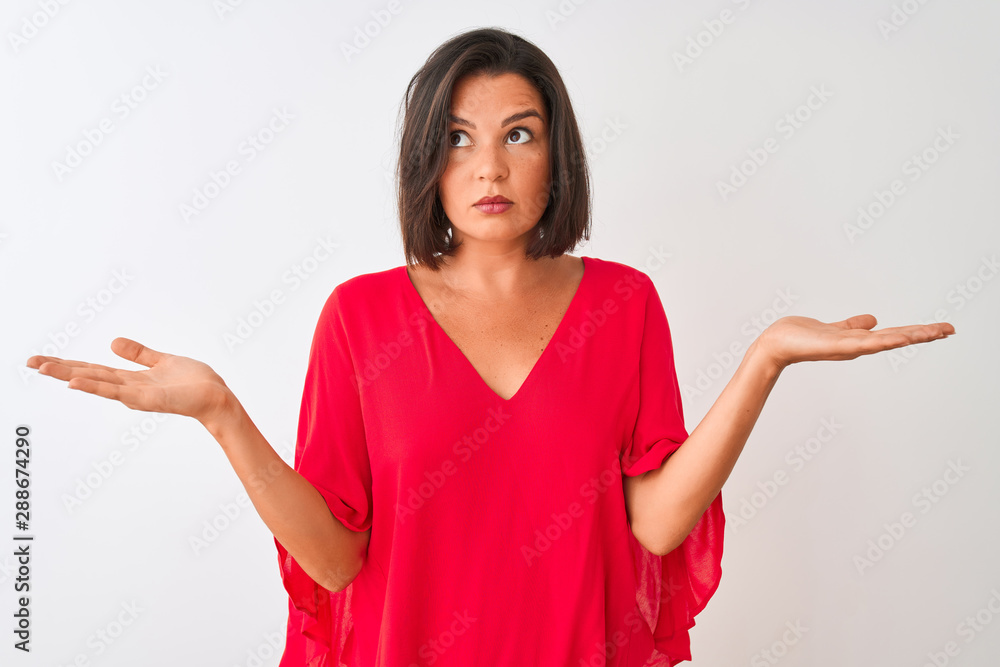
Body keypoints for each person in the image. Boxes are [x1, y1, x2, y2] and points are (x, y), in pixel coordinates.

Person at [26, 26, 954, 667]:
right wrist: (222, 415)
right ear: (427, 159)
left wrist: (764, 360)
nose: (490, 167)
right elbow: (337, 562)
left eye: (520, 134)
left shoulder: (624, 306)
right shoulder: (361, 318)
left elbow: (659, 525)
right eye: (460, 138)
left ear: (559, 156)